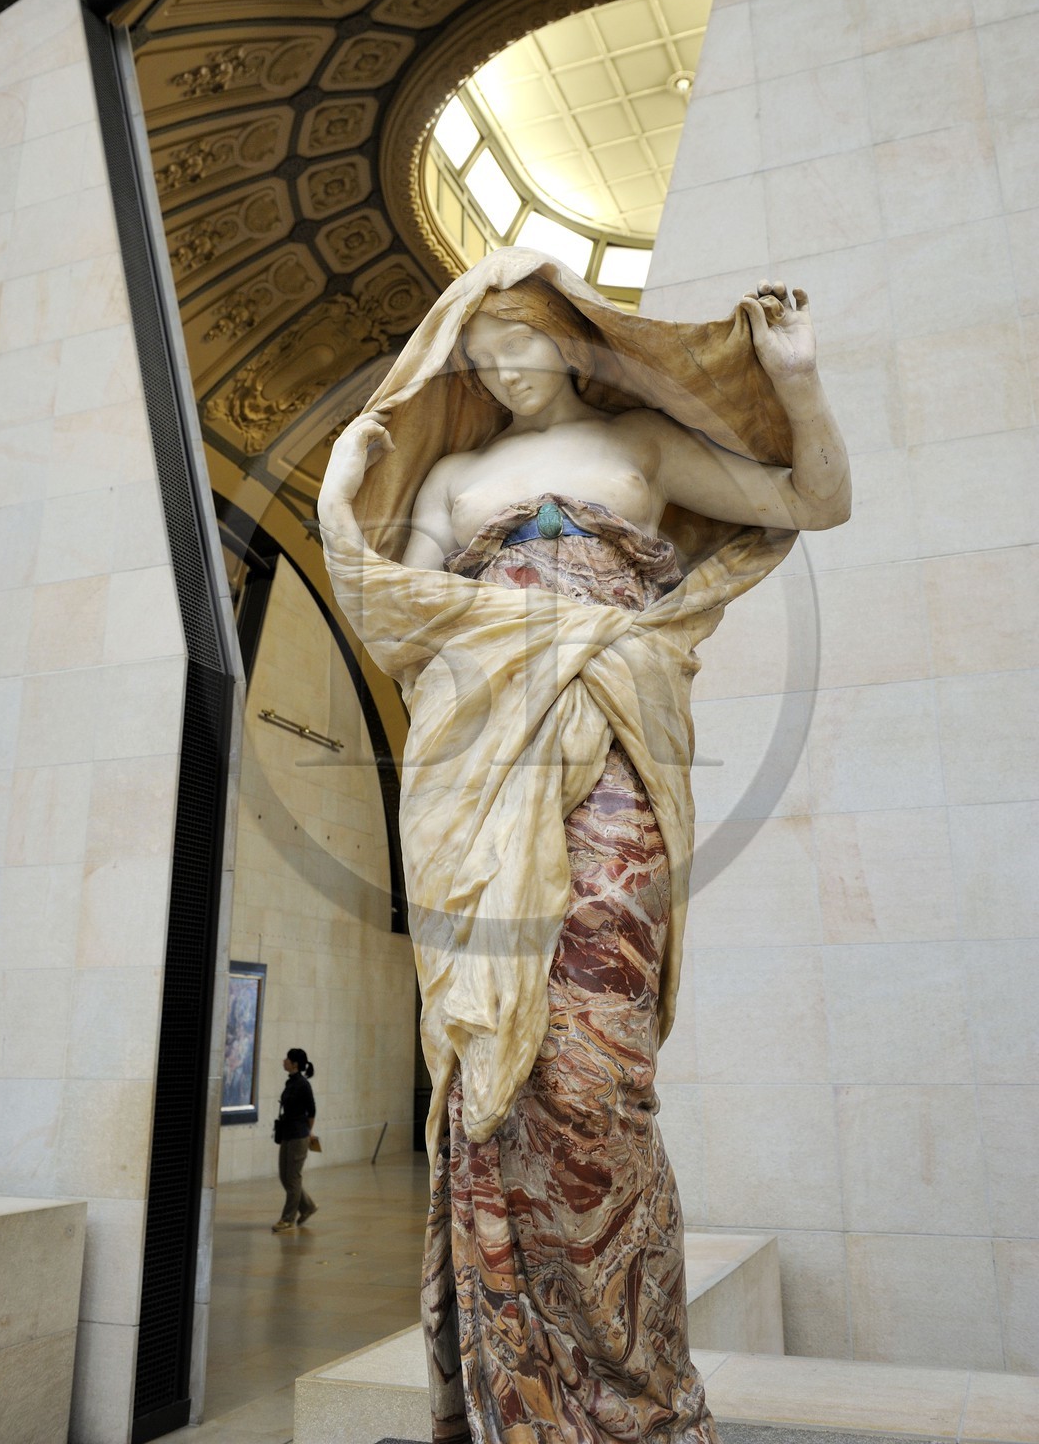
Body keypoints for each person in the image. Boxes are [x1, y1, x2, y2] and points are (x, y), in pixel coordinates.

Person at [317, 248, 849, 1443]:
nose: (501, 365)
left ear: (567, 338)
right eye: (479, 349)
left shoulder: (642, 448)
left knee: (599, 1067)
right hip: (475, 761)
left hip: (615, 738)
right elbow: (395, 611)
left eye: (519, 338)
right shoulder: (452, 470)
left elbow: (814, 502)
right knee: (492, 1057)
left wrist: (796, 383)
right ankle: (527, 1392)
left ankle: (633, 1388)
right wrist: (340, 495)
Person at [272, 1047, 318, 1233]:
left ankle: (287, 1218)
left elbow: (312, 1111)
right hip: (287, 1134)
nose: (284, 1061)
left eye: (287, 1059)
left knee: (293, 1177)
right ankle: (307, 1206)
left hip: (299, 1135)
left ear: (295, 1064)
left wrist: (308, 1132)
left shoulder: (303, 1085)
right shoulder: (291, 1082)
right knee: (285, 1176)